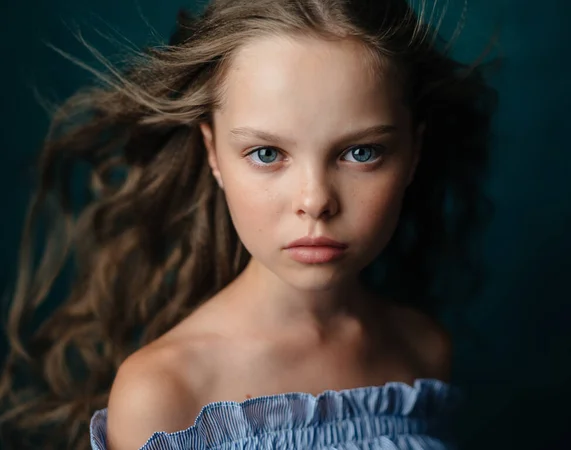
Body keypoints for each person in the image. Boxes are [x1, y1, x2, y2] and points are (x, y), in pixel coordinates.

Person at [0, 0, 497, 449]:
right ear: (213, 152)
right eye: (266, 153)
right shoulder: (164, 397)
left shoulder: (423, 354)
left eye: (361, 152)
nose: (315, 200)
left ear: (413, 153)